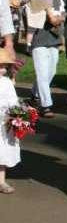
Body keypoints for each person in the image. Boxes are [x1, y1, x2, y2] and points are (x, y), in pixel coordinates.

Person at [27, 0, 65, 118]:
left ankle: (34, 95)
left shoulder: (58, 0)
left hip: (53, 39)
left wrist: (60, 18)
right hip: (38, 39)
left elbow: (61, 15)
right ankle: (45, 105)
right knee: (42, 73)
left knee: (51, 71)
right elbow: (53, 19)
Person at [0, 48, 21, 194]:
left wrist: (17, 116)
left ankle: (1, 181)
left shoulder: (7, 83)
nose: (2, 70)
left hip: (3, 123)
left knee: (3, 153)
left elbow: (13, 102)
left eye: (4, 66)